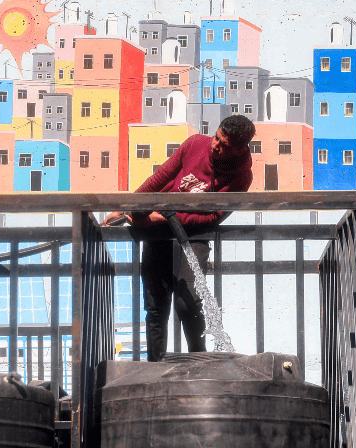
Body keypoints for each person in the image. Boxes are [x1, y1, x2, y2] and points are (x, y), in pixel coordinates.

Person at [104, 115, 255, 361]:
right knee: (155, 307)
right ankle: (155, 367)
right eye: (217, 137)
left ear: (240, 149)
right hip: (159, 232)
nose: (216, 145)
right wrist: (126, 207)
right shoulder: (195, 144)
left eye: (225, 145)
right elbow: (160, 178)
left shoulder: (241, 177)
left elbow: (212, 217)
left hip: (192, 236)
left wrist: (164, 217)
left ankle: (199, 364)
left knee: (189, 305)